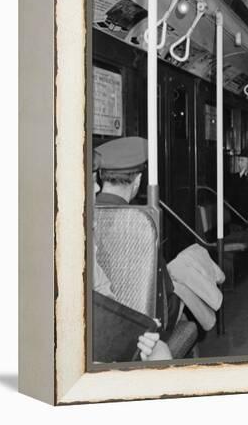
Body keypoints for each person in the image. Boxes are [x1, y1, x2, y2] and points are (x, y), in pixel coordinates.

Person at [94, 136, 180, 349]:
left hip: (103, 318)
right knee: (185, 275)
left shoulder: (84, 214)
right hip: (141, 326)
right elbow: (163, 294)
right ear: (139, 180)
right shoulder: (140, 225)